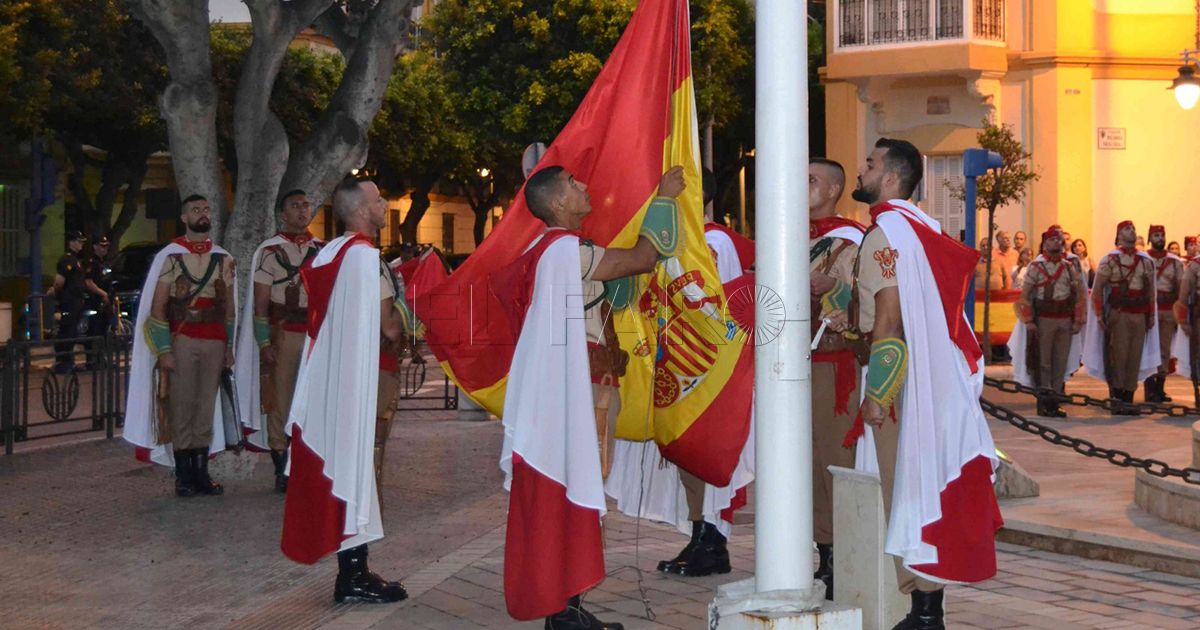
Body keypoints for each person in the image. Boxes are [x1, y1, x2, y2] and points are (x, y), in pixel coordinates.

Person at [498, 165, 683, 630]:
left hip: (574, 380)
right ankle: (565, 610)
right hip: (579, 384)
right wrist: (663, 198)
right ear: (557, 203)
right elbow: (642, 258)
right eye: (574, 185)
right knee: (578, 484)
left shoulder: (547, 250)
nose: (585, 188)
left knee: (572, 486)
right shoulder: (565, 250)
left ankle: (568, 605)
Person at [831, 138, 1001, 630]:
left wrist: (877, 395)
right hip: (924, 374)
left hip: (900, 382)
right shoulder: (921, 226)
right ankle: (927, 612)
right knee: (921, 487)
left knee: (907, 491)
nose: (862, 171)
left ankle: (924, 615)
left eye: (870, 164)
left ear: (890, 178)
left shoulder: (887, 232)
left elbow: (888, 318)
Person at [607, 167, 754, 583]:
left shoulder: (713, 240)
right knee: (683, 453)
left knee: (705, 450)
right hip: (668, 361)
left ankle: (713, 539)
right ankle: (700, 533)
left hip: (704, 366)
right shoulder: (661, 235)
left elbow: (720, 306)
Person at [280, 177, 408, 604]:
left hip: (335, 378)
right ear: (359, 209)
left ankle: (354, 572)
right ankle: (353, 576)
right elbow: (388, 325)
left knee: (353, 468)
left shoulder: (333, 252)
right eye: (378, 199)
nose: (385, 204)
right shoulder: (364, 258)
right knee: (361, 467)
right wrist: (411, 320)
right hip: (359, 383)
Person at [123, 195, 237, 496]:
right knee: (182, 405)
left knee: (204, 407)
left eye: (206, 209)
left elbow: (229, 308)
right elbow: (158, 308)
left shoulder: (223, 257)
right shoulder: (171, 256)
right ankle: (184, 476)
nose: (202, 214)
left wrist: (229, 347)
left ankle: (201, 474)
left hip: (214, 340)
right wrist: (163, 351)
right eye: (195, 210)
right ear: (184, 218)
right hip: (183, 340)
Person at [804, 157, 866, 600]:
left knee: (833, 461)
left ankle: (841, 556)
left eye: (810, 180)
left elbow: (866, 303)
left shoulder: (848, 241)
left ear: (831, 191)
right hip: (791, 368)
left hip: (833, 366)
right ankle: (820, 551)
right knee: (804, 465)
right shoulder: (790, 235)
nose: (800, 185)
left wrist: (833, 289)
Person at [234, 189, 323, 492]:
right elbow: (260, 305)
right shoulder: (269, 251)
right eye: (295, 206)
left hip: (312, 335)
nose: (302, 210)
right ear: (282, 214)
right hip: (283, 333)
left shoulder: (322, 250)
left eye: (306, 205)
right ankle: (281, 467)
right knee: (280, 400)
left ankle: (307, 462)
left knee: (311, 400)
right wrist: (263, 344)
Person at [1082, 221, 1159, 413]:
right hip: (1119, 314)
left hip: (1139, 314)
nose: (1131, 231)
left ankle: (1129, 397)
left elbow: (1150, 292)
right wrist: (1099, 315)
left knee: (1134, 356)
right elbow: (1098, 290)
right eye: (1126, 228)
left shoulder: (1145, 261)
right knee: (1118, 355)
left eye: (1133, 228)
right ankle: (1117, 397)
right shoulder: (1109, 260)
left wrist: (1150, 315)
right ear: (1118, 235)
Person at [1012, 227, 1085, 417]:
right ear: (1044, 243)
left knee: (1060, 361)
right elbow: (1025, 296)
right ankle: (1044, 401)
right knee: (1043, 362)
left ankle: (1055, 400)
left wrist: (1078, 320)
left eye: (1058, 240)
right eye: (1052, 240)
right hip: (1044, 319)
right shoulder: (1036, 267)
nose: (1056, 243)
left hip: (1064, 320)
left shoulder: (1069, 268)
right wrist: (1028, 321)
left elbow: (1078, 296)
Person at [1145, 225, 1183, 403]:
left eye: (1162, 235)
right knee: (1147, 348)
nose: (1160, 238)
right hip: (1147, 310)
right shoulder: (1143, 259)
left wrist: (1178, 314)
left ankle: (1160, 387)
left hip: (1167, 309)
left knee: (1164, 349)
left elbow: (1180, 289)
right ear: (1150, 238)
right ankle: (1148, 387)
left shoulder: (1175, 262)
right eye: (1156, 235)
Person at [48, 231, 89, 372]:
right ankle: (62, 362)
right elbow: (59, 282)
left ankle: (68, 361)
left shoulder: (75, 260)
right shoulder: (66, 260)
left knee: (72, 332)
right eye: (78, 241)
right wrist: (54, 291)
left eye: (82, 241)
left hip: (75, 301)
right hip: (68, 301)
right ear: (71, 242)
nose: (81, 244)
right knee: (66, 331)